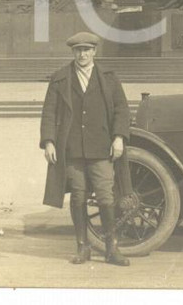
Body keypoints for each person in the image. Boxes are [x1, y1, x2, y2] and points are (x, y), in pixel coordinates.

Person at [39, 32, 132, 266]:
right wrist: (49, 141)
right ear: (73, 52)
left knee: (106, 196)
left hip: (101, 148)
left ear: (94, 52)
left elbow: (121, 109)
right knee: (78, 195)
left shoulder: (108, 78)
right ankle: (83, 248)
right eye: (78, 50)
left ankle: (112, 248)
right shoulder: (60, 78)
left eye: (87, 50)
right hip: (72, 149)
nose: (82, 54)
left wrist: (119, 137)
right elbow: (49, 112)